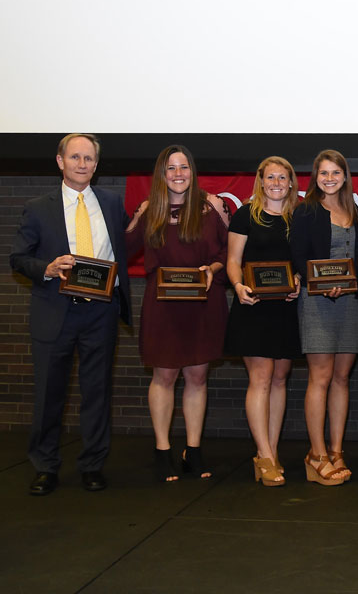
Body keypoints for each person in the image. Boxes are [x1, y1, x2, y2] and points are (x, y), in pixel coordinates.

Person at [10, 133, 132, 495]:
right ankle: (45, 467)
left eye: (89, 158)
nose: (82, 164)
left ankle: (93, 465)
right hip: (55, 312)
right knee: (50, 395)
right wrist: (47, 267)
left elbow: (129, 245)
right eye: (75, 157)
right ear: (60, 161)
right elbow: (18, 257)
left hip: (101, 313)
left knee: (97, 393)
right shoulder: (38, 206)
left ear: (96, 164)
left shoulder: (111, 203)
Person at [127, 144, 229, 482]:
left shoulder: (210, 207)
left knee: (198, 377)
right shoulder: (150, 210)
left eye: (183, 167)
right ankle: (162, 451)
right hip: (164, 308)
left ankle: (193, 451)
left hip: (204, 304)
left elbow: (228, 256)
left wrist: (214, 266)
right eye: (171, 168)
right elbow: (123, 249)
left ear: (192, 171)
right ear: (162, 174)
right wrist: (138, 218)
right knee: (164, 377)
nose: (178, 174)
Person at [290, 149, 358, 486]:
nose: (330, 179)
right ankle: (317, 455)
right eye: (324, 173)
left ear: (344, 176)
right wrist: (320, 285)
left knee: (341, 377)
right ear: (315, 177)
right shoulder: (306, 210)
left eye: (336, 173)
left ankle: (337, 450)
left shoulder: (354, 209)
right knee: (320, 377)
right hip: (317, 301)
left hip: (350, 303)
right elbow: (298, 257)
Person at [225, 156, 301, 487]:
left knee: (280, 377)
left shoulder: (298, 217)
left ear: (290, 182)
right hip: (253, 306)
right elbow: (232, 260)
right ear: (260, 180)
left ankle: (271, 452)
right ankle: (264, 455)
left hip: (284, 308)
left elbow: (301, 261)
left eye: (282, 178)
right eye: (270, 177)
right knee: (262, 377)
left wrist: (297, 278)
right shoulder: (245, 214)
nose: (276, 183)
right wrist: (238, 285)